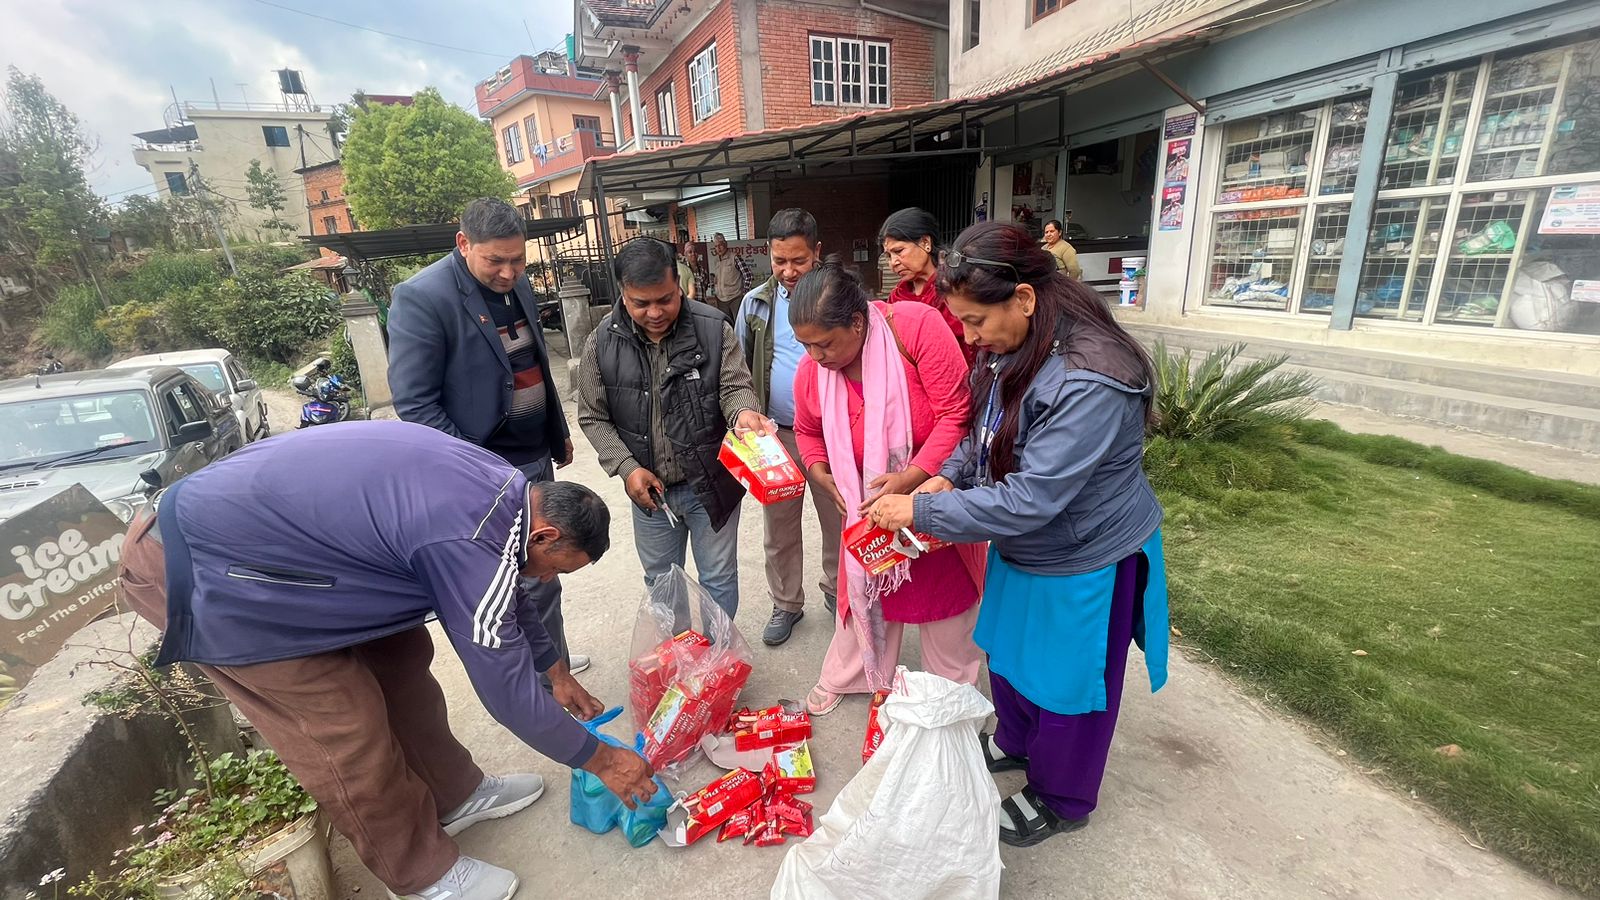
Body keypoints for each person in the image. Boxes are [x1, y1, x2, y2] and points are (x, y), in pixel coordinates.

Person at [117, 421, 656, 900]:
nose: (547, 579)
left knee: (401, 660)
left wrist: (555, 671)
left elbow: (506, 591)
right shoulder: (469, 536)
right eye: (555, 567)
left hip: (297, 555)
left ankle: (453, 794)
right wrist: (602, 761)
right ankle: (420, 874)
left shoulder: (507, 493)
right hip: (214, 571)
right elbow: (506, 691)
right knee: (341, 723)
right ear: (544, 534)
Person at [866, 221, 1169, 847]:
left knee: (1068, 686)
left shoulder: (1090, 377)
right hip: (1028, 546)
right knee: (1008, 657)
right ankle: (1016, 743)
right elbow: (981, 435)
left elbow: (1034, 497)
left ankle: (1062, 796)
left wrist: (920, 515)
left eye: (976, 322)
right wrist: (938, 479)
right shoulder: (1013, 346)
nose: (970, 338)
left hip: (1084, 556)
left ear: (1024, 299)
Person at [387, 197, 590, 682]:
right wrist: (477, 471)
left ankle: (553, 665)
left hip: (532, 457)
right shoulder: (423, 298)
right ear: (463, 244)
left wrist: (556, 431)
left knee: (545, 571)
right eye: (495, 261)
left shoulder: (515, 285)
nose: (509, 272)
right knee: (506, 583)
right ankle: (538, 679)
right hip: (483, 471)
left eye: (518, 260)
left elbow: (537, 363)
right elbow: (415, 406)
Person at [789, 259, 987, 715]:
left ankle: (951, 693)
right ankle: (855, 675)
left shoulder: (915, 328)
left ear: (858, 323)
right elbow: (807, 430)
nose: (816, 357)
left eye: (825, 344)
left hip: (934, 502)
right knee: (865, 590)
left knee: (946, 604)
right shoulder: (812, 371)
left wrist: (910, 477)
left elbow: (957, 414)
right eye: (806, 345)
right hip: (869, 516)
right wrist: (820, 471)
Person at [577, 237, 772, 618]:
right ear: (623, 294)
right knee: (662, 581)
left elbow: (734, 387)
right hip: (651, 493)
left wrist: (744, 413)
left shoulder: (713, 328)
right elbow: (592, 415)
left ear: (679, 286)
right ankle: (681, 658)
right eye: (641, 303)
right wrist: (627, 468)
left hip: (712, 482)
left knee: (718, 577)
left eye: (665, 299)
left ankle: (718, 665)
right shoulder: (601, 342)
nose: (654, 312)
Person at [736, 209, 843, 646]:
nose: (787, 271)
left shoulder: (839, 298)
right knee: (778, 529)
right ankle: (786, 604)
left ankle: (840, 594)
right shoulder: (756, 303)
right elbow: (739, 370)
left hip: (833, 435)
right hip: (776, 435)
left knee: (839, 517)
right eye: (779, 260)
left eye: (797, 260)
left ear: (816, 252)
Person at [881, 207, 977, 367]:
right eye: (888, 256)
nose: (893, 262)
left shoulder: (957, 288)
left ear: (926, 243)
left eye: (898, 251)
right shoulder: (896, 298)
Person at [709, 232, 752, 321]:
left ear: (725, 244)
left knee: (739, 325)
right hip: (721, 300)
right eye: (716, 246)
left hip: (735, 298)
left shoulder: (735, 258)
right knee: (726, 327)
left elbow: (748, 275)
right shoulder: (716, 260)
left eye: (720, 245)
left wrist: (744, 293)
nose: (718, 248)